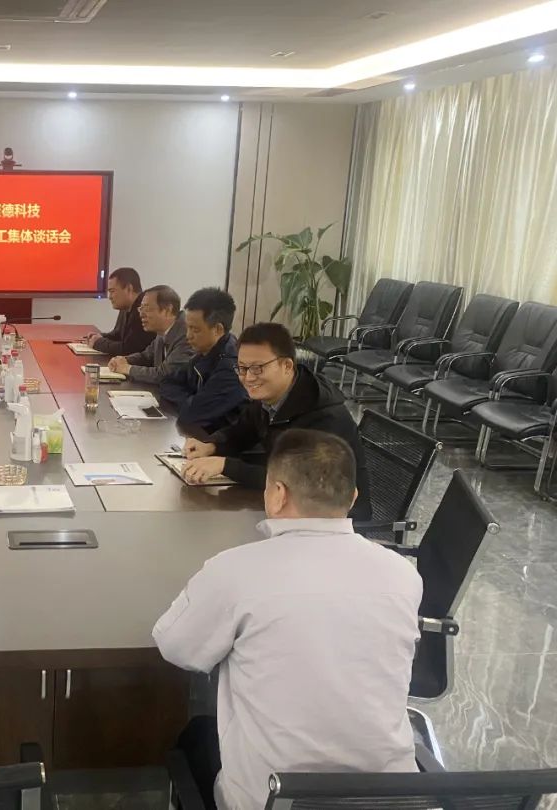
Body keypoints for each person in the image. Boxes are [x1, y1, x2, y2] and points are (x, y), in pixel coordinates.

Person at [154, 429, 422, 810]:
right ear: (352, 498)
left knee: (196, 736)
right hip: (391, 799)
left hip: (273, 799)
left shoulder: (236, 571)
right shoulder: (403, 575)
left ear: (278, 494)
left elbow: (176, 646)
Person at [182, 321, 372, 520]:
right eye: (242, 368)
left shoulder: (323, 417)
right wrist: (211, 446)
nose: (248, 378)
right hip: (291, 506)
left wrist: (225, 465)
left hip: (334, 519)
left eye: (257, 368)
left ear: (287, 366)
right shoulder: (271, 397)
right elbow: (242, 432)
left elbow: (295, 480)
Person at [159, 288, 248, 434]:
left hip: (222, 442)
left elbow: (192, 414)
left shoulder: (232, 367)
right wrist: (192, 400)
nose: (188, 336)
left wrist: (191, 403)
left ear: (218, 329)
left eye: (195, 330)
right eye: (187, 328)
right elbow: (166, 382)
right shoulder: (204, 353)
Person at [106, 284, 194, 385]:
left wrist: (127, 368)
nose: (141, 314)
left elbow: (165, 375)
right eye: (141, 309)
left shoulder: (187, 333)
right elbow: (146, 356)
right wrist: (124, 360)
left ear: (167, 310)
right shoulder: (163, 331)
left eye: (147, 309)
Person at [85, 267, 155, 356]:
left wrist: (98, 343)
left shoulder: (143, 309)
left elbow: (129, 349)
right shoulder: (126, 307)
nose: (110, 297)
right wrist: (100, 336)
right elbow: (118, 335)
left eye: (112, 291)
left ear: (129, 289)